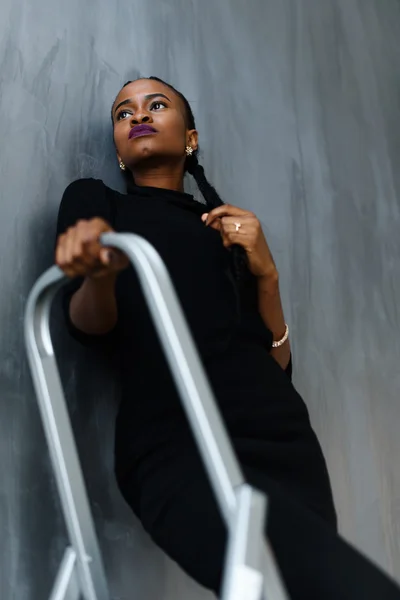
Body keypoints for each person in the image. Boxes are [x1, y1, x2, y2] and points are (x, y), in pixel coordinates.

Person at [55, 76, 400, 599]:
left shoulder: (225, 225)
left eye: (156, 105)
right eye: (123, 113)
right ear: (120, 150)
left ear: (190, 138)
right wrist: (99, 273)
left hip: (282, 442)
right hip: (177, 438)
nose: (138, 115)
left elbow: (276, 366)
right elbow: (86, 325)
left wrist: (268, 275)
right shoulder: (98, 201)